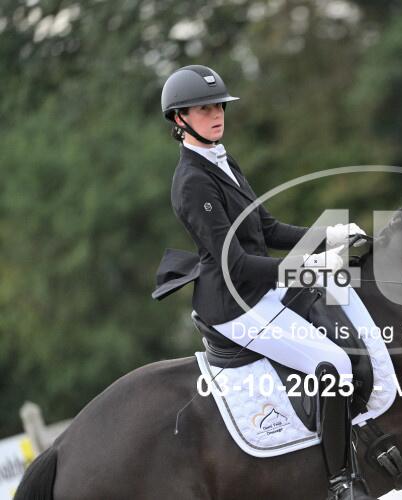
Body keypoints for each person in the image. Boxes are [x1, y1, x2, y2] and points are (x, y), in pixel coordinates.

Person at [160, 64, 376, 500]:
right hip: (235, 306)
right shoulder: (192, 182)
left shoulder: (222, 160)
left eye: (219, 106)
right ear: (180, 119)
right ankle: (340, 483)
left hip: (260, 290)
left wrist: (329, 235)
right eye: (204, 109)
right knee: (333, 365)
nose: (216, 115)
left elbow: (268, 229)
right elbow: (236, 264)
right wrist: (307, 267)